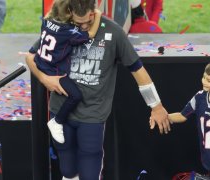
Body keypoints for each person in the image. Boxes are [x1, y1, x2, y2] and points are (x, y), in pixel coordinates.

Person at [25, 0, 171, 179]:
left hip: (93, 113)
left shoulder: (113, 31)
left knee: (90, 166)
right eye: (79, 24)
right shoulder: (61, 27)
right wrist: (44, 79)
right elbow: (31, 56)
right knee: (68, 170)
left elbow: (137, 69)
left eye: (89, 20)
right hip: (60, 109)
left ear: (94, 10)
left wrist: (156, 106)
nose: (85, 27)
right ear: (70, 12)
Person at [31, 0, 101, 144]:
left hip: (40, 62)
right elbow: (91, 33)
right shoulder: (68, 32)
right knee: (76, 95)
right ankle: (56, 122)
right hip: (53, 71)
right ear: (69, 13)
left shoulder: (46, 20)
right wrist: (98, 15)